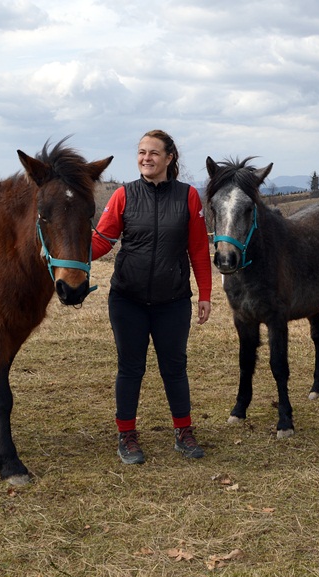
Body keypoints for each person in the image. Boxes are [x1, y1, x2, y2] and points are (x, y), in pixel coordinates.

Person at [91, 130, 212, 463]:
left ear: (169, 158)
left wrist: (205, 293)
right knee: (130, 368)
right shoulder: (123, 196)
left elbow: (199, 250)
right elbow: (102, 241)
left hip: (172, 301)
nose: (146, 158)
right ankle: (126, 436)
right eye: (142, 152)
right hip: (127, 300)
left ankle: (183, 432)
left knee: (175, 368)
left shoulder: (188, 197)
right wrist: (67, 251)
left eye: (154, 153)